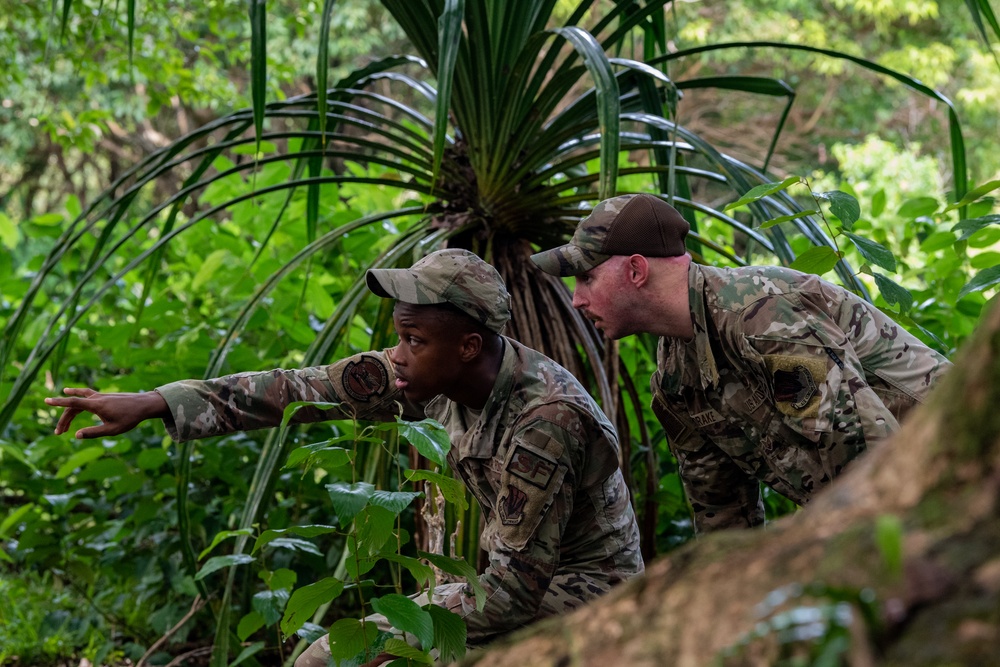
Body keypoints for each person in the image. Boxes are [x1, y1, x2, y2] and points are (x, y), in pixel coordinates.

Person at [46, 248, 643, 665]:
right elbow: (294, 390)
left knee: (336, 657)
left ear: (467, 346)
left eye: (413, 341)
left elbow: (513, 591)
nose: (396, 356)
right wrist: (155, 403)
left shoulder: (546, 419)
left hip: (589, 596)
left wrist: (386, 635)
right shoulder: (428, 372)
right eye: (398, 336)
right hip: (509, 583)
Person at [531, 193, 952, 534]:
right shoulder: (676, 381)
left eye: (586, 277)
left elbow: (869, 456)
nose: (576, 299)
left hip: (959, 473)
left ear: (637, 270)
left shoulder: (760, 316)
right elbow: (722, 521)